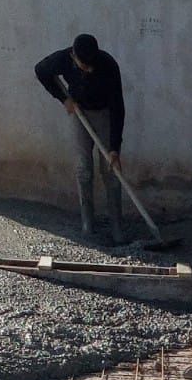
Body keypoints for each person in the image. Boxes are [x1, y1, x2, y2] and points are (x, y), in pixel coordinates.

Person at [34, 33, 128, 244]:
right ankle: (88, 223)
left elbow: (118, 107)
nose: (89, 70)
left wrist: (114, 148)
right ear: (74, 56)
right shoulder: (62, 59)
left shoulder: (108, 65)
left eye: (91, 65)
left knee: (111, 171)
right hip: (80, 114)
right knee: (83, 169)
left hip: (104, 115)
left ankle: (117, 227)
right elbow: (40, 70)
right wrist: (64, 99)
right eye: (84, 66)